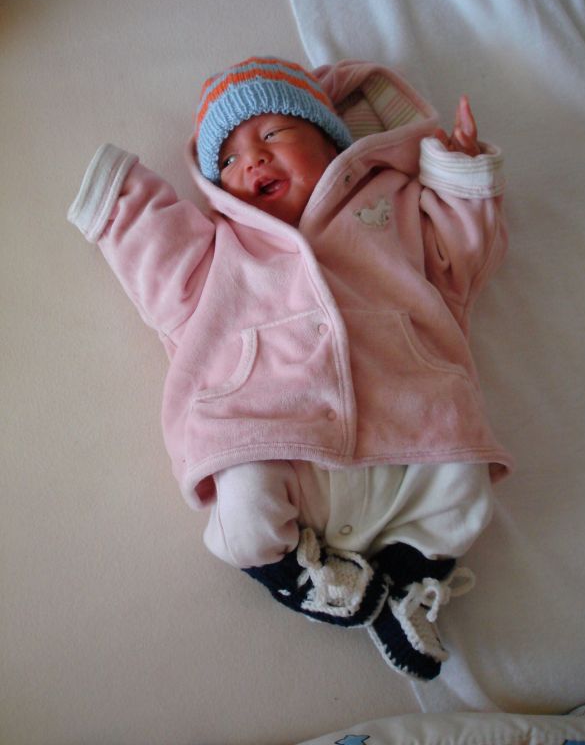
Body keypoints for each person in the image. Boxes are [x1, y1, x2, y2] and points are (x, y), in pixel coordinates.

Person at [68, 57, 512, 681]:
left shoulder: (389, 205)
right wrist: (120, 202)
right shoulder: (223, 246)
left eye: (273, 134)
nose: (251, 159)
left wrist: (459, 177)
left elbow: (461, 256)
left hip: (413, 421)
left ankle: (408, 582)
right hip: (275, 430)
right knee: (244, 510)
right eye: (228, 159)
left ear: (332, 142)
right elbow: (163, 265)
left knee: (464, 490)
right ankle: (302, 576)